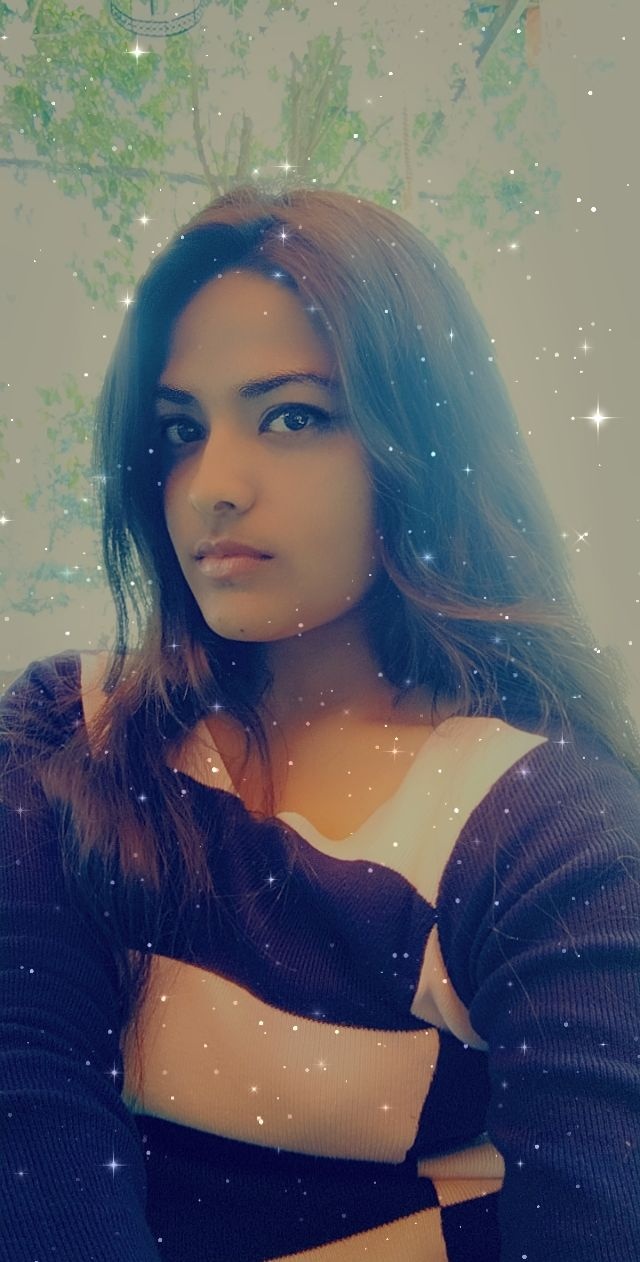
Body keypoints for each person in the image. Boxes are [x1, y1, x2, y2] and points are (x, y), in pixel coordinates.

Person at [1, 183, 639, 1262]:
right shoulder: (70, 729)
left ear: (420, 437)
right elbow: (29, 1102)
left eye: (292, 416)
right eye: (180, 429)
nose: (211, 485)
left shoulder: (545, 828)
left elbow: (594, 1208)